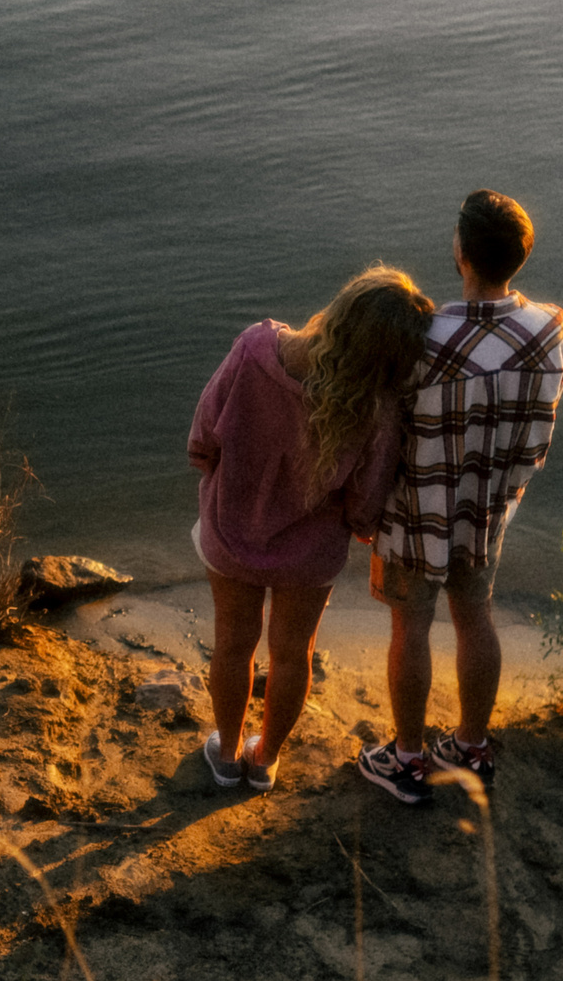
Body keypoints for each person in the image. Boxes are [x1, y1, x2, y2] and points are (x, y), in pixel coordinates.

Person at [357, 190, 563, 805]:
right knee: (476, 617)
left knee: (411, 627)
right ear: (519, 257)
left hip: (415, 513)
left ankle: (407, 761)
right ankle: (472, 746)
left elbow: (383, 428)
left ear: (461, 253)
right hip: (488, 510)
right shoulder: (552, 329)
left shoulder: (422, 339)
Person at [187, 267, 436, 792]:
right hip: (310, 555)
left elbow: (205, 434)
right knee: (291, 655)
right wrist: (357, 527)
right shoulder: (376, 405)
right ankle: (265, 761)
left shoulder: (256, 348)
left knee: (232, 645)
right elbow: (365, 506)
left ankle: (227, 756)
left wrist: (215, 471)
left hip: (230, 532)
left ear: (342, 309)